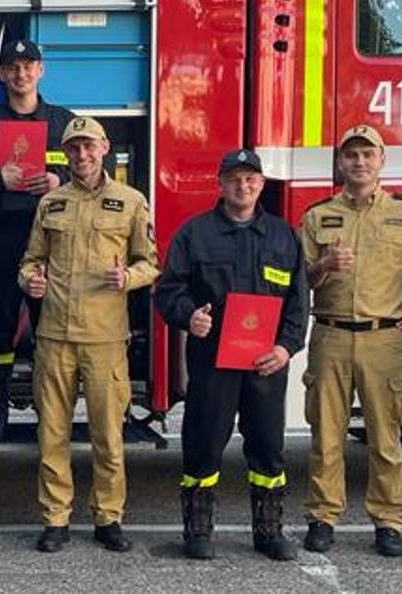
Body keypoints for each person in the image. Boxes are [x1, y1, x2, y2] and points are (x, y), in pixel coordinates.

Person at [153, 148, 309, 562]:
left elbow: (298, 301)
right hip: (213, 362)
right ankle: (199, 530)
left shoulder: (283, 236)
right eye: (235, 179)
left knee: (268, 447)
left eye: (251, 179)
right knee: (203, 442)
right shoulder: (195, 234)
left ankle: (269, 530)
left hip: (266, 364)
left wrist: (286, 346)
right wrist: (189, 317)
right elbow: (169, 291)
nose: (244, 186)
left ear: (261, 184)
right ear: (220, 185)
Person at [297, 124, 402, 557]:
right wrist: (324, 263)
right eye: (351, 155)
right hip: (330, 334)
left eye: (368, 155)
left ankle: (389, 521)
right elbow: (298, 279)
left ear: (381, 160)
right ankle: (323, 517)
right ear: (340, 162)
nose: (359, 162)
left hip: (383, 339)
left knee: (385, 437)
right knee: (325, 436)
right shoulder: (316, 215)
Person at [17, 117, 158, 554]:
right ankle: (55, 518)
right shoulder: (50, 204)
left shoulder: (132, 201)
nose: (82, 155)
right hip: (55, 336)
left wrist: (128, 277)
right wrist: (30, 281)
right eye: (74, 148)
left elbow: (151, 262)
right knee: (52, 434)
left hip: (104, 338)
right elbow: (30, 260)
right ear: (66, 154)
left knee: (107, 435)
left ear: (104, 148)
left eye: (89, 147)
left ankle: (107, 517)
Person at [0, 39, 74, 441]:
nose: (21, 74)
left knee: (52, 329)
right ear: (2, 75)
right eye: (13, 67)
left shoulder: (64, 123)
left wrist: (61, 182)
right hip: (2, 237)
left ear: (41, 70)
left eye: (28, 66)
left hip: (54, 240)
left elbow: (94, 173)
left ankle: (51, 414)